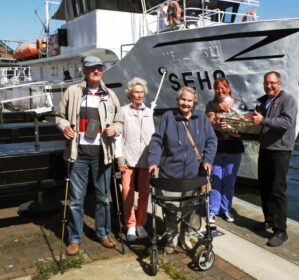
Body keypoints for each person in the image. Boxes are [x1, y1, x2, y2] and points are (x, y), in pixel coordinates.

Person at [55, 56, 123, 256]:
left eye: (99, 68)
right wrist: (64, 127)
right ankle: (74, 239)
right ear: (84, 71)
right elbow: (59, 117)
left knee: (103, 198)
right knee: (76, 200)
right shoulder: (72, 92)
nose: (96, 71)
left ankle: (103, 233)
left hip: (103, 155)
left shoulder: (110, 95)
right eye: (92, 68)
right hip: (79, 155)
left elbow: (119, 120)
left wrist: (115, 130)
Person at [148, 86, 217, 253]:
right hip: (170, 174)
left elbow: (211, 140)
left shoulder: (201, 118)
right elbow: (157, 140)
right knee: (170, 208)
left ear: (194, 103)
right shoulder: (168, 117)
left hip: (193, 174)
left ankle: (185, 237)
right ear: (178, 100)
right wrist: (153, 161)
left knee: (190, 207)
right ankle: (171, 240)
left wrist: (207, 160)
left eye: (189, 100)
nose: (186, 103)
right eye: (183, 100)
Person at [252, 71, 297, 247]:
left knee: (278, 191)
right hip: (265, 149)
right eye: (266, 83)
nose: (269, 86)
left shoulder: (288, 100)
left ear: (279, 83)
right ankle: (268, 220)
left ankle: (281, 231)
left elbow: (287, 122)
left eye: (272, 83)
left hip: (280, 151)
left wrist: (263, 121)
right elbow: (257, 123)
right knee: (264, 187)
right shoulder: (264, 101)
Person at [114, 77, 154, 242]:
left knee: (144, 192)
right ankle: (130, 224)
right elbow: (118, 136)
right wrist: (120, 156)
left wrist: (154, 158)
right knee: (127, 192)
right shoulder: (123, 111)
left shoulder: (149, 112)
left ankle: (140, 223)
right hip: (128, 157)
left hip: (145, 158)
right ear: (130, 94)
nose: (139, 95)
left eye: (141, 92)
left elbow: (153, 136)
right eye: (136, 92)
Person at [205, 77, 247, 223]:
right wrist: (217, 120)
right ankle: (213, 210)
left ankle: (226, 209)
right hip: (217, 148)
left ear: (228, 88)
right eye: (217, 88)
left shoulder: (239, 104)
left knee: (229, 180)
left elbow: (244, 123)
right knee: (216, 180)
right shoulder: (211, 105)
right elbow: (209, 118)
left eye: (223, 87)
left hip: (234, 148)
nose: (220, 91)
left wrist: (239, 131)